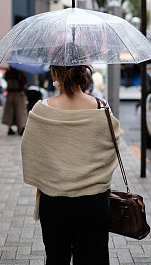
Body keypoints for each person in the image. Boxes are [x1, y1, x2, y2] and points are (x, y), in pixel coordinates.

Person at [21, 45, 120, 265]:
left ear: (54, 72)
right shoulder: (101, 108)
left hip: (55, 200)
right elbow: (113, 146)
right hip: (94, 200)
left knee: (57, 259)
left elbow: (29, 150)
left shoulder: (41, 110)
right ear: (83, 70)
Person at [2, 67, 28, 135]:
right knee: (20, 111)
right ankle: (21, 128)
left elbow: (5, 79)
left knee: (10, 111)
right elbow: (23, 83)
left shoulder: (8, 73)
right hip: (18, 94)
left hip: (10, 94)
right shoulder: (20, 73)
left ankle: (9, 128)